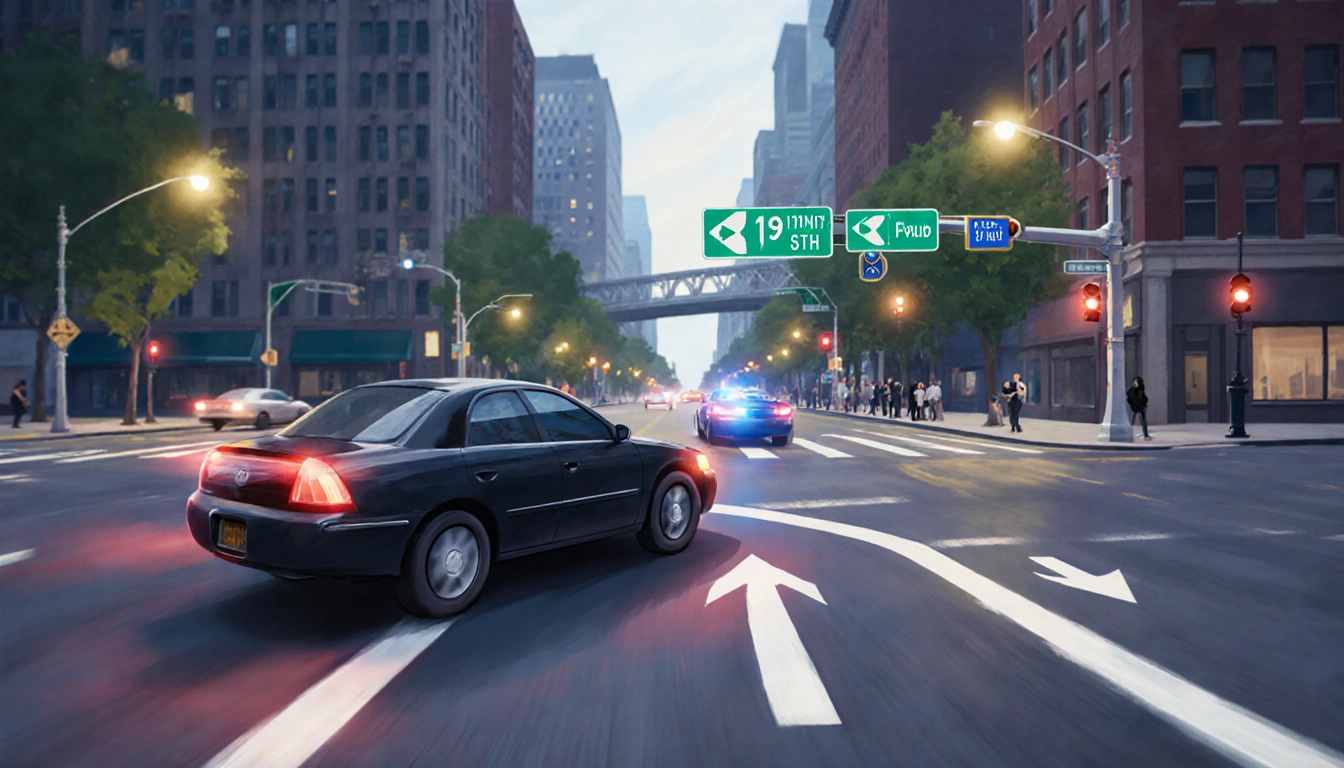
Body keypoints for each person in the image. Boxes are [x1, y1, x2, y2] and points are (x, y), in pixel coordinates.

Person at [1127, 376, 1151, 440]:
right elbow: (1129, 396)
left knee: (1143, 421)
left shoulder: (1141, 389)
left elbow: (1143, 396)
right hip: (1134, 407)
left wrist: (1145, 403)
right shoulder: (1132, 389)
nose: (1136, 383)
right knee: (1131, 421)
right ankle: (1128, 434)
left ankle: (1146, 435)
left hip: (1141, 407)